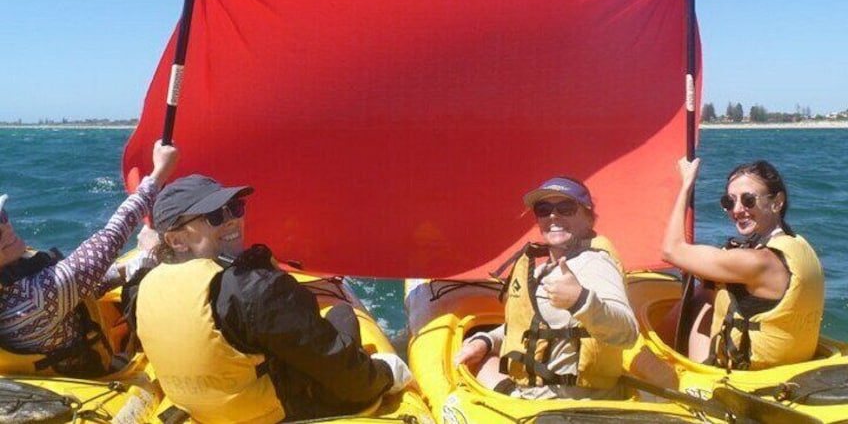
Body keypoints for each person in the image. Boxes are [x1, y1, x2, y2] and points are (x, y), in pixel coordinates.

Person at [124, 174, 411, 423]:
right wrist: (387, 372)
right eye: (215, 216)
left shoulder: (140, 291)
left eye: (235, 207)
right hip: (278, 413)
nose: (233, 220)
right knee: (342, 316)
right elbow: (352, 382)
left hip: (204, 412)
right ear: (176, 240)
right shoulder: (256, 290)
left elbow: (139, 282)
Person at [0, 140, 179, 377]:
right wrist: (159, 173)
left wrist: (131, 267)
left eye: (3, 216)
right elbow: (110, 238)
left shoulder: (14, 287)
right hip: (91, 378)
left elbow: (78, 289)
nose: (7, 227)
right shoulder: (32, 299)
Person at [454, 176, 637, 400]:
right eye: (544, 208)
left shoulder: (595, 264)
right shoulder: (544, 269)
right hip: (530, 397)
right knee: (480, 361)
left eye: (566, 207)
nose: (553, 215)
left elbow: (627, 332)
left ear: (589, 218)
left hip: (566, 407)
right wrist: (486, 341)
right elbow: (529, 326)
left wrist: (581, 300)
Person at [662, 157, 824, 370]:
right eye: (729, 202)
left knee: (706, 295)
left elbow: (671, 250)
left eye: (748, 200)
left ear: (777, 202)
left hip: (746, 376)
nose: (737, 210)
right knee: (711, 284)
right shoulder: (797, 245)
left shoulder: (760, 261)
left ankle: (663, 357)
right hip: (790, 367)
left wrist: (686, 186)